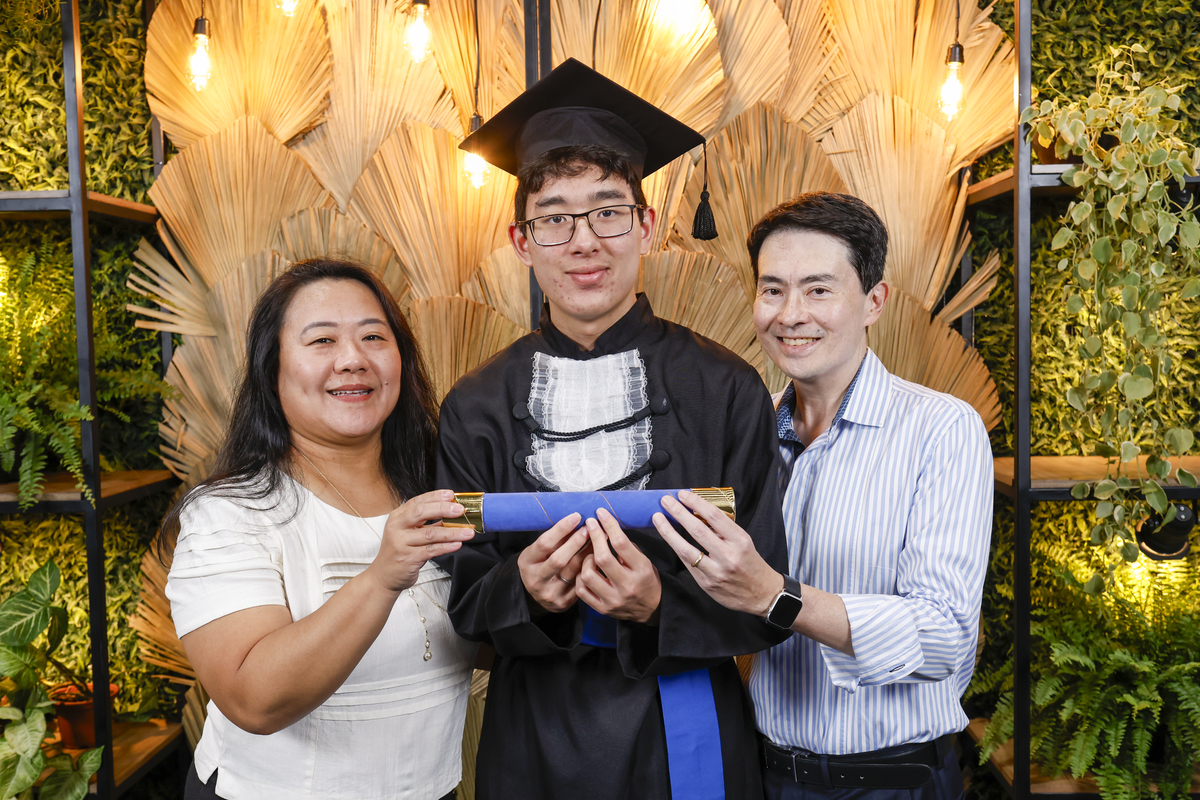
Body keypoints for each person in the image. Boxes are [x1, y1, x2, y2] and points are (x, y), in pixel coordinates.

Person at [435, 58, 791, 800]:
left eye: (608, 211)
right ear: (521, 241)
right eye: (554, 218)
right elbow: (460, 603)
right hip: (534, 733)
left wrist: (659, 606)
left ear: (646, 226)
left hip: (684, 726)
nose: (584, 241)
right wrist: (523, 590)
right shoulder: (475, 404)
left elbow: (769, 597)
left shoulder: (727, 387)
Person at [653, 192, 994, 800]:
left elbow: (943, 636)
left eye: (818, 290)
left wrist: (775, 596)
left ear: (874, 301)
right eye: (772, 289)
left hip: (895, 783)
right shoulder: (745, 432)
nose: (790, 314)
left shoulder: (941, 429)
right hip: (763, 775)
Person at [162, 259, 476, 800]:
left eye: (373, 337)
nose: (353, 359)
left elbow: (473, 642)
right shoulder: (226, 513)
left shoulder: (441, 493)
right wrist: (381, 578)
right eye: (322, 340)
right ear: (273, 370)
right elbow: (254, 701)